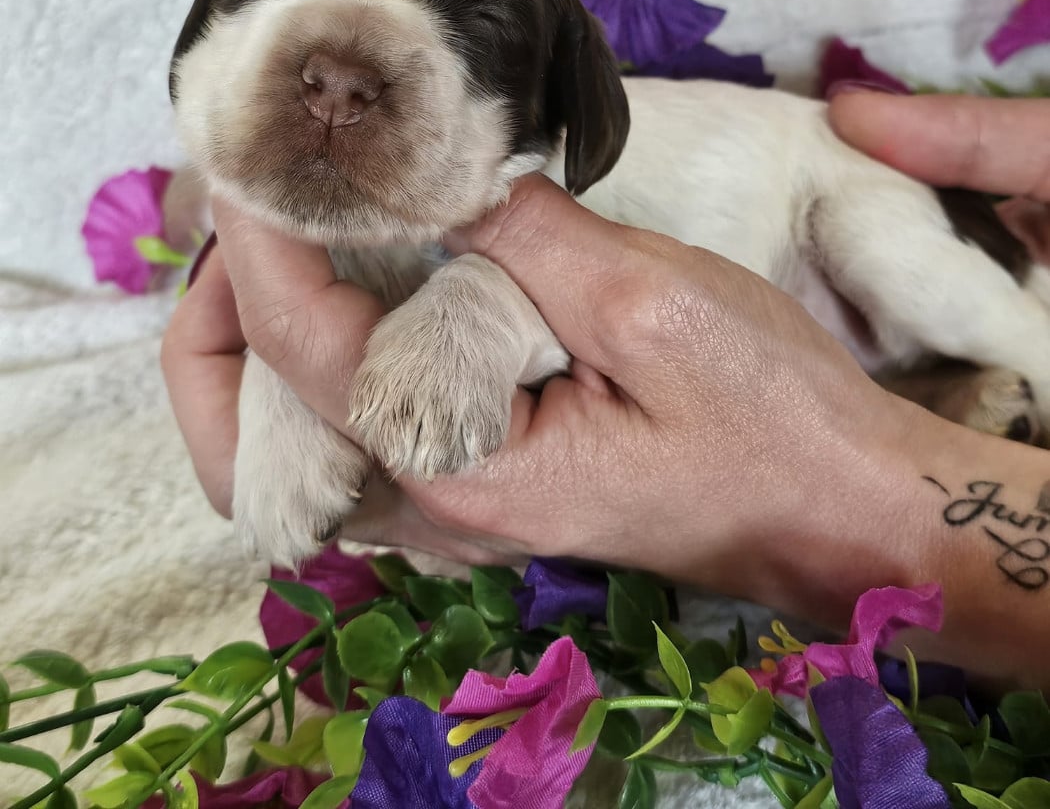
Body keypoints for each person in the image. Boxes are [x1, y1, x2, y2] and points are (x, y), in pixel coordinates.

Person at [162, 90, 1050, 685]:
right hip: (828, 360)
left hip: (813, 205)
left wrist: (824, 506)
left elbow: (531, 290)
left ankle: (1018, 364)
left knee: (903, 264)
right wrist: (282, 385)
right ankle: (948, 401)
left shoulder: (518, 138)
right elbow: (324, 309)